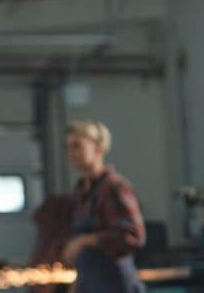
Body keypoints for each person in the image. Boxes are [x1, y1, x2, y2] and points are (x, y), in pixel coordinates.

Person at [62, 121, 146, 293]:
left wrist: (86, 241)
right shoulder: (80, 191)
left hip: (116, 286)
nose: (71, 153)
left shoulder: (114, 187)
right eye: (68, 147)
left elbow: (134, 236)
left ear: (99, 148)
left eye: (77, 146)